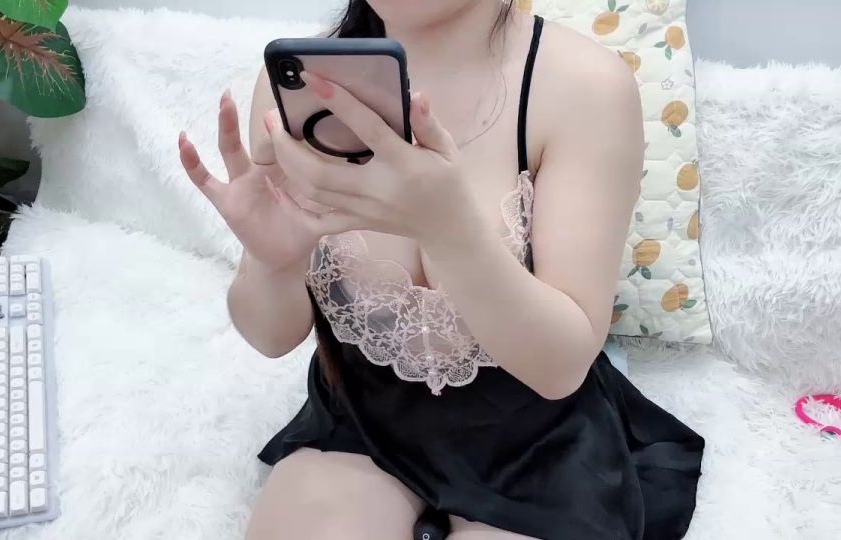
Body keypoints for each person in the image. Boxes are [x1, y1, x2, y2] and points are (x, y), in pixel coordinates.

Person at [177, 1, 704, 538]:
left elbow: (560, 367)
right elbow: (269, 336)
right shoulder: (299, 88)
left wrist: (451, 232)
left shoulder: (585, 86)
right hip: (361, 422)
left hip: (539, 441)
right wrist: (275, 262)